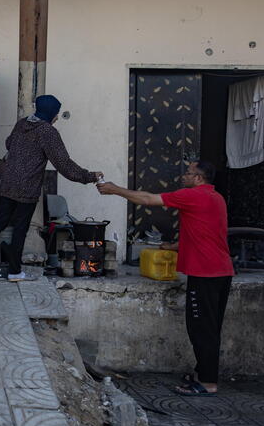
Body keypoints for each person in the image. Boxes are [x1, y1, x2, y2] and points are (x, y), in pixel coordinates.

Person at [97, 160, 234, 397]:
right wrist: (174, 246)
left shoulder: (192, 196)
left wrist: (115, 190)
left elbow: (148, 199)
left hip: (205, 273)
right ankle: (202, 373)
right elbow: (208, 233)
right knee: (208, 327)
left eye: (188, 173)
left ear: (199, 178)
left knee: (202, 328)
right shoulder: (216, 198)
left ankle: (208, 382)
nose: (184, 176)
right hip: (221, 271)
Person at [0, 95, 102, 283]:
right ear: (51, 113)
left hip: (8, 182)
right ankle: (14, 272)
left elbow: (8, 143)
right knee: (20, 229)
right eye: (57, 113)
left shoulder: (22, 124)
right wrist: (90, 176)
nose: (57, 117)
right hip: (26, 187)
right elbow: (64, 165)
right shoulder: (48, 132)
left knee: (1, 221)